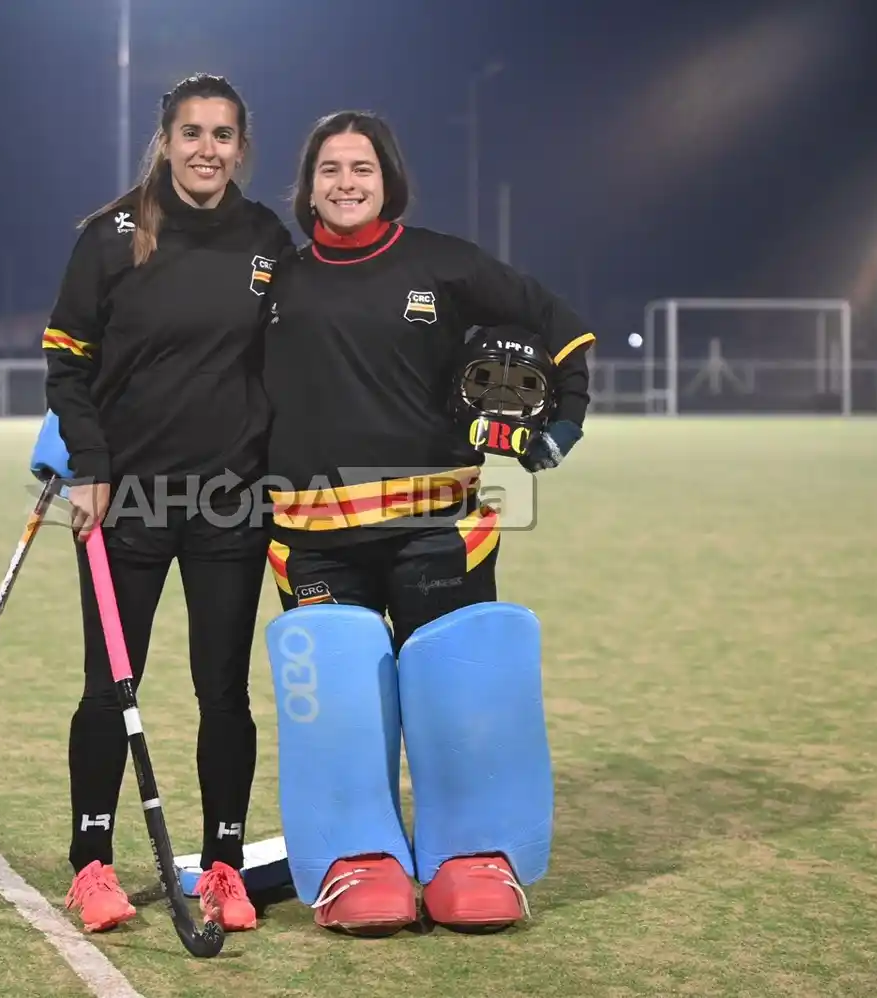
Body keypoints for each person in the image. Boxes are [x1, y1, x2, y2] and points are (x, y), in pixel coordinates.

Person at [258, 110, 594, 937]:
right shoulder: (276, 281)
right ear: (307, 186)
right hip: (313, 534)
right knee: (340, 699)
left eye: (361, 168)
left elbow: (555, 319)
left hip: (437, 527)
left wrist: (565, 418)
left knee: (457, 689)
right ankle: (356, 858)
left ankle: (470, 855)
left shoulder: (443, 263)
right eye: (329, 169)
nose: (345, 182)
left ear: (387, 178)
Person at [40, 72, 292, 935]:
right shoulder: (109, 238)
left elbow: (294, 360)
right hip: (125, 504)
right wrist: (88, 463)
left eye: (223, 135)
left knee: (223, 693)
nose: (207, 150)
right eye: (192, 134)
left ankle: (224, 866)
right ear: (165, 141)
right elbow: (67, 362)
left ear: (241, 147)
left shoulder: (266, 238)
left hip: (231, 504)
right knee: (110, 688)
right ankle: (93, 864)